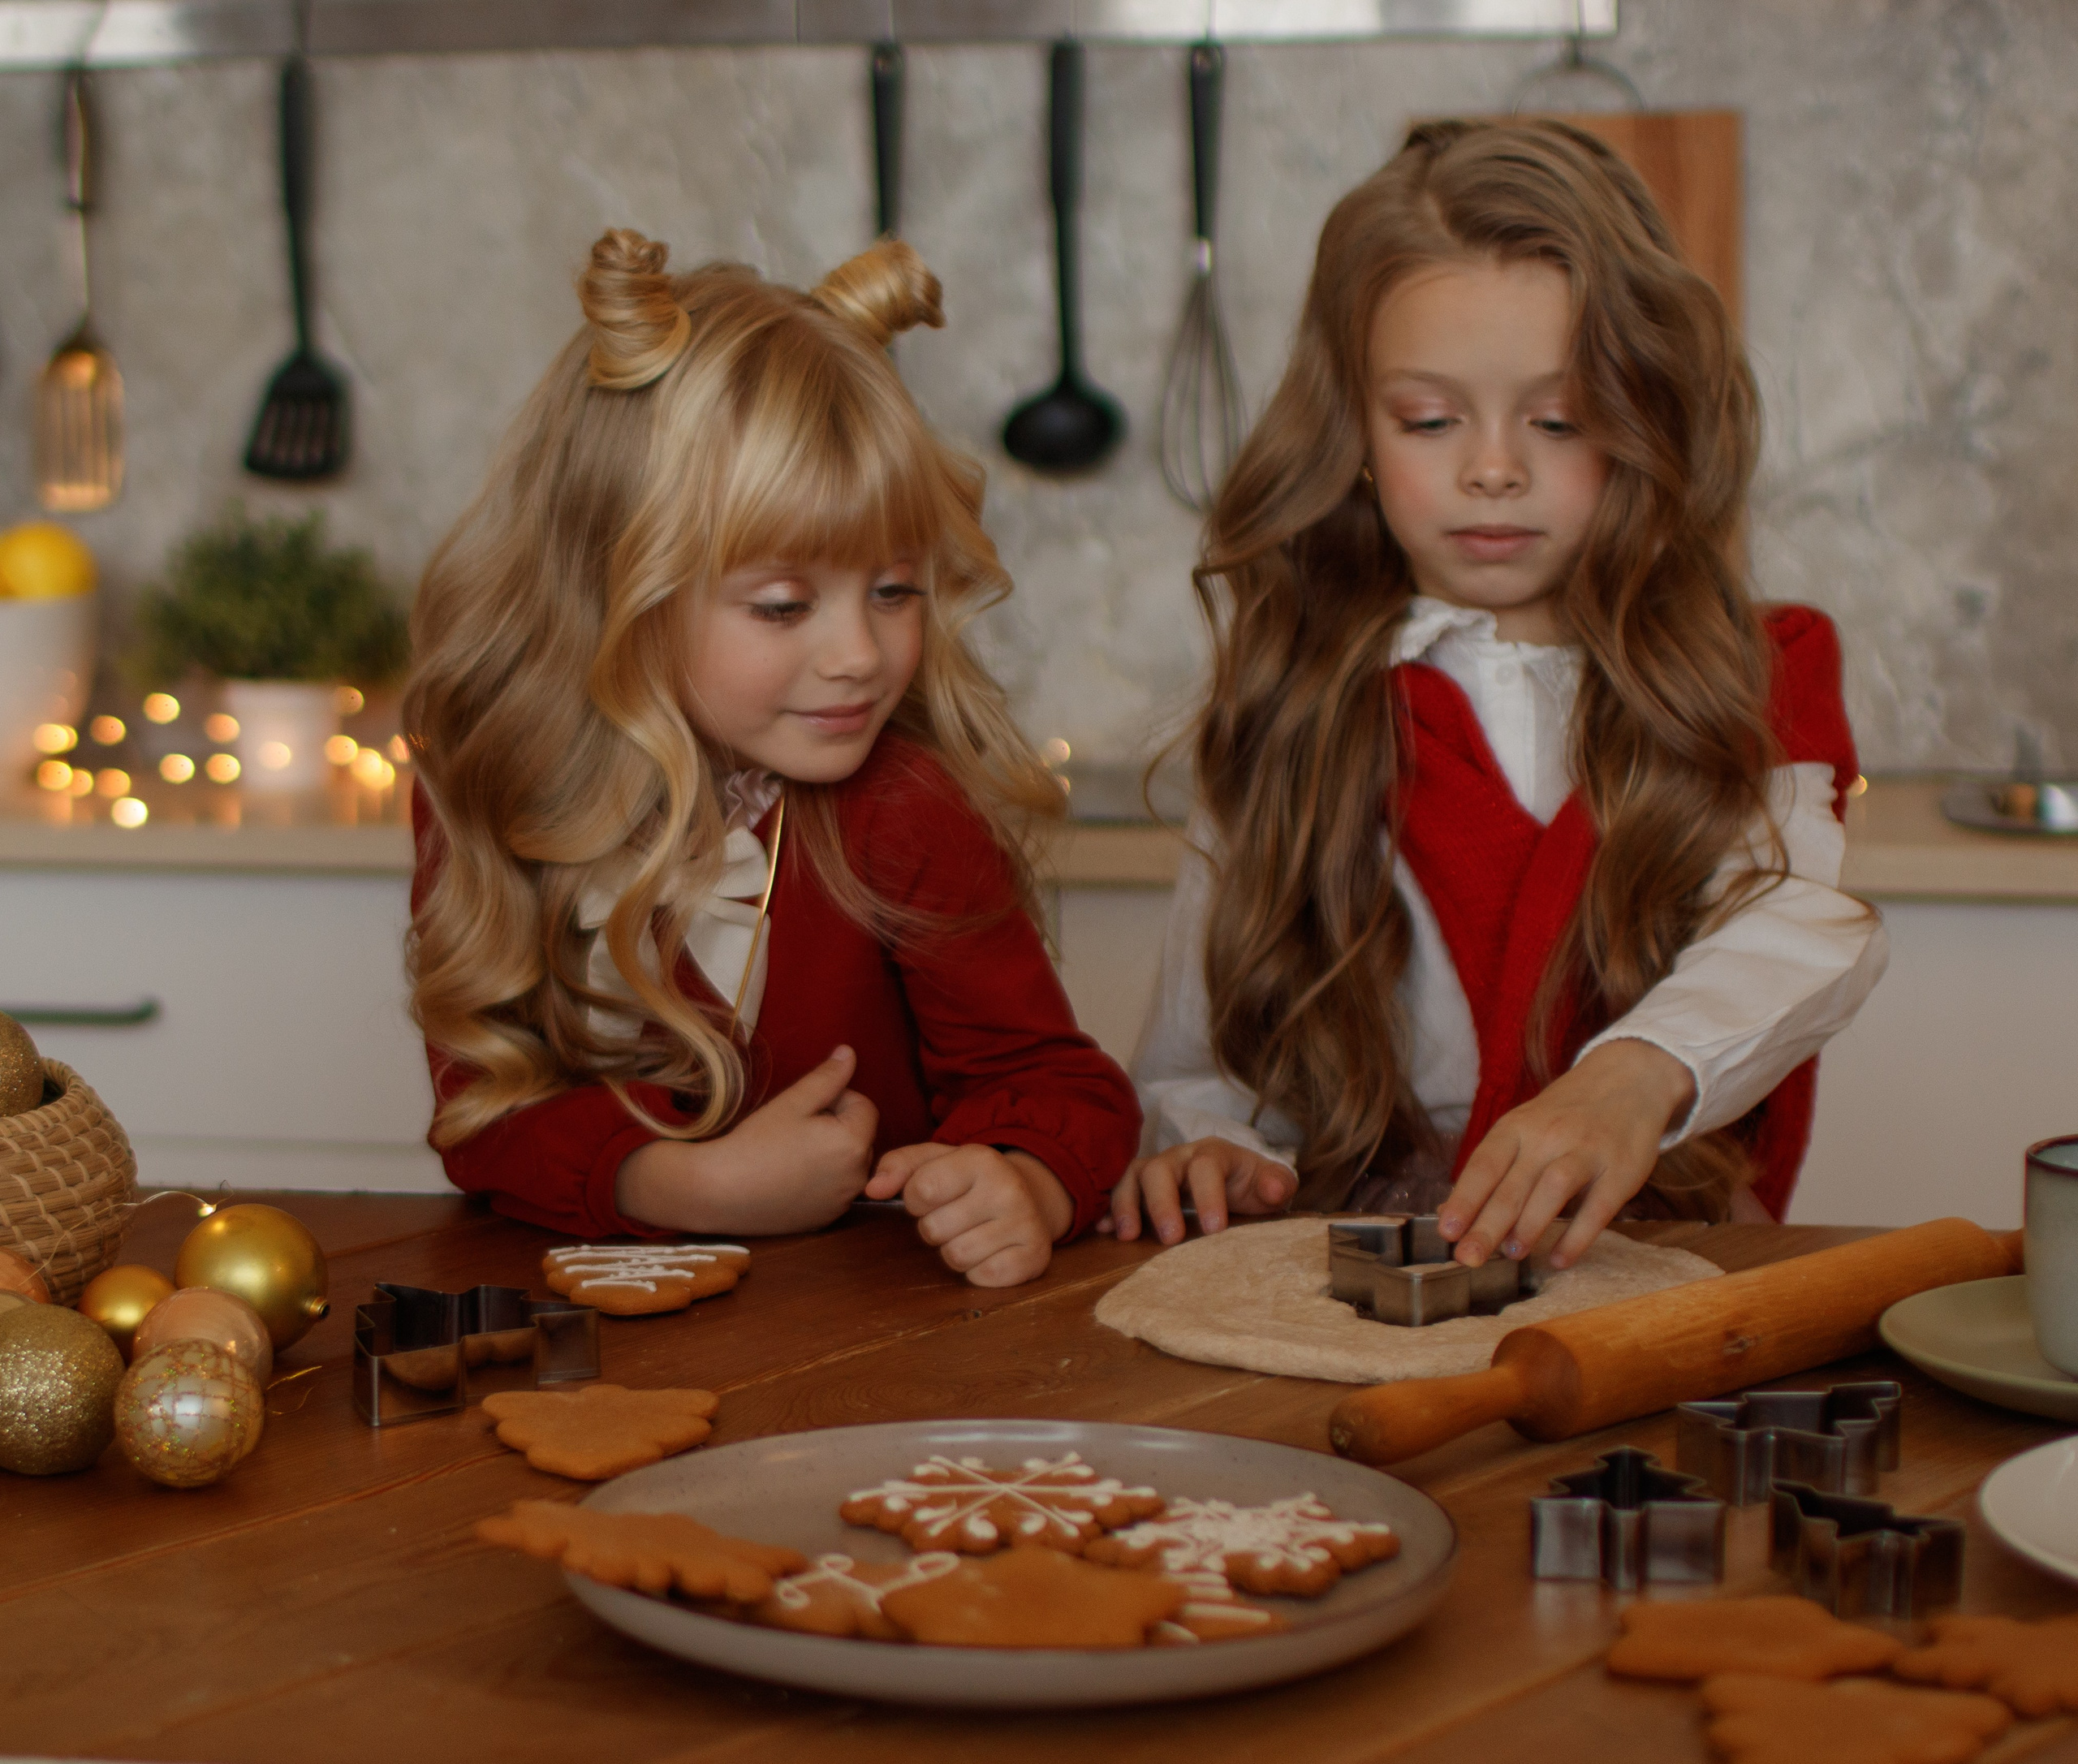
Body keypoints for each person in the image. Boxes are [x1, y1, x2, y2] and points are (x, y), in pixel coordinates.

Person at [1113, 120, 1886, 1272]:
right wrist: (1211, 1143)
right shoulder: (1297, 699)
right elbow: (1193, 1068)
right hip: (1352, 1275)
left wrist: (1633, 1077)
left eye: (1559, 419)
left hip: (1654, 1265)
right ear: (1355, 434)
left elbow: (1799, 930)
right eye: (1430, 419)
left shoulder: (1750, 673)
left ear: (1646, 418)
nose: (1492, 468)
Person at [404, 229, 1138, 1287]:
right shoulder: (492, 784)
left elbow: (1061, 1089)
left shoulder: (902, 805)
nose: (858, 655)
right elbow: (482, 1113)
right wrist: (681, 1187)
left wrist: (1022, 1180)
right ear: (616, 589)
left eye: (894, 590)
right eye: (784, 604)